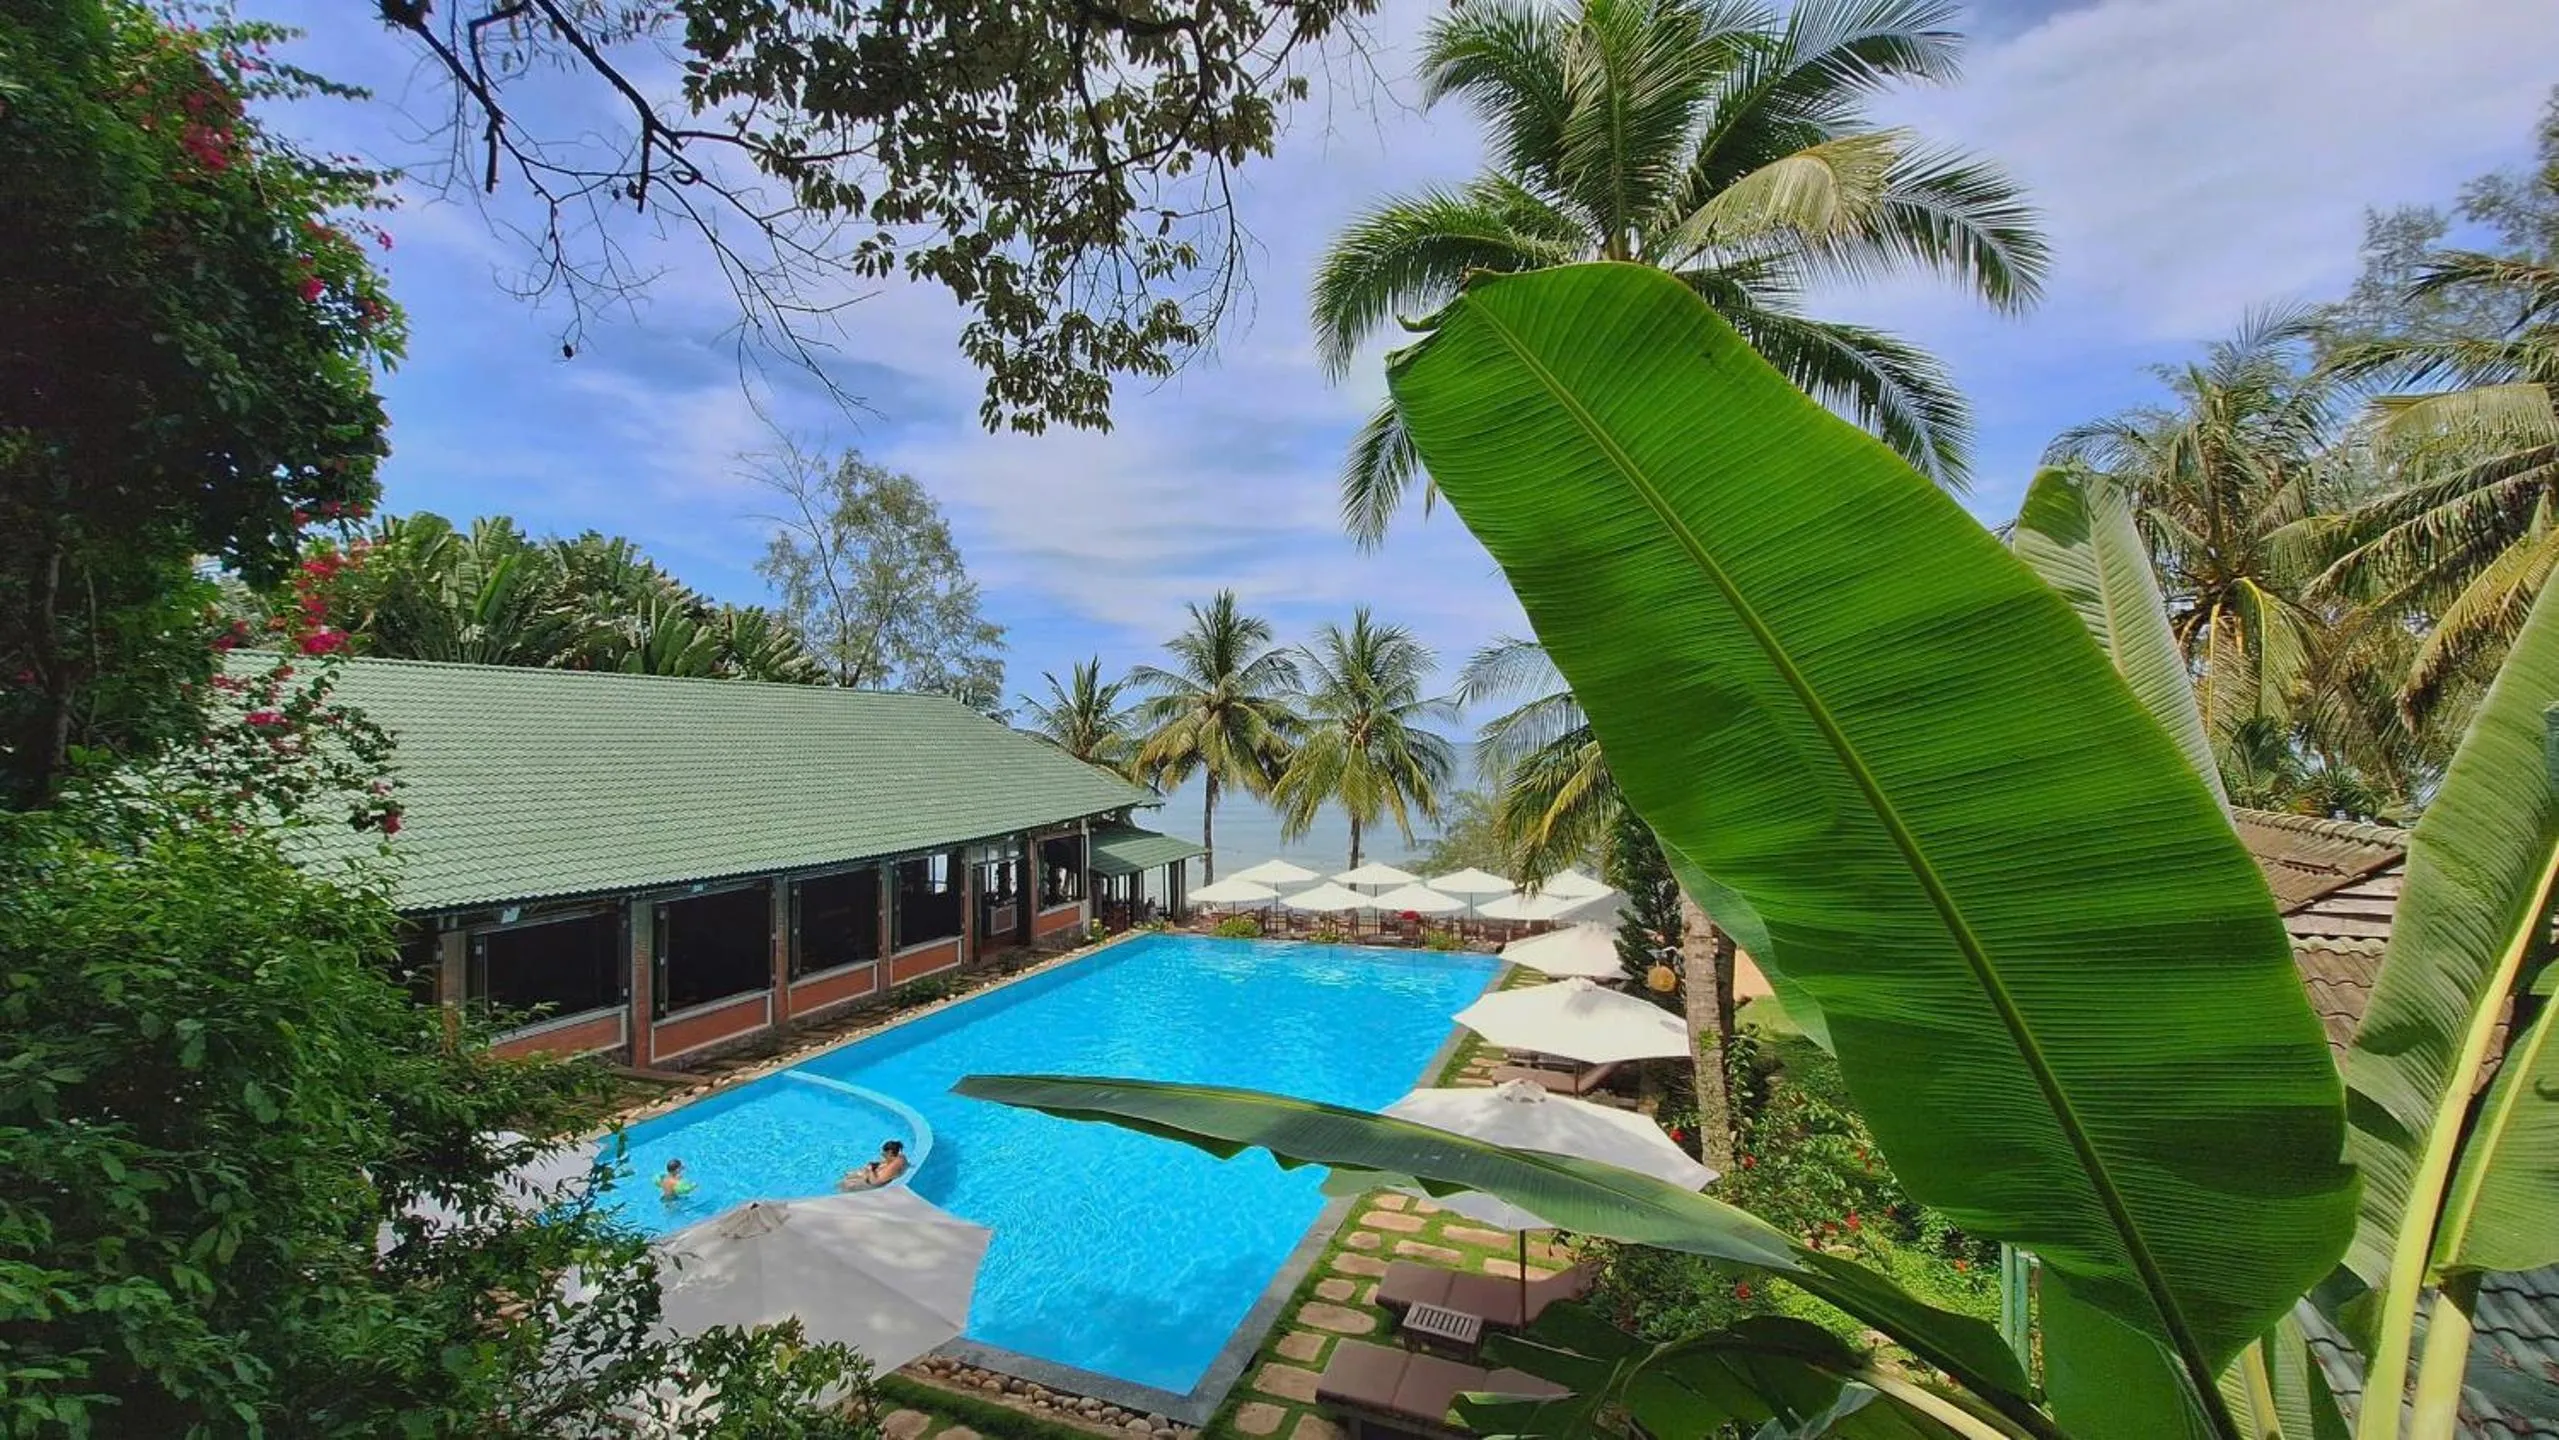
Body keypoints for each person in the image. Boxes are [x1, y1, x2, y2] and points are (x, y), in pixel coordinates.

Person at [839, 1139, 908, 1191]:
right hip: (875, 1175)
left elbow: (875, 1182)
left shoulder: (892, 1167)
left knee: (844, 1185)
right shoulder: (900, 1157)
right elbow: (887, 1163)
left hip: (873, 1184)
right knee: (849, 1174)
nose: (882, 1154)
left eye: (884, 1152)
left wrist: (870, 1170)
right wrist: (877, 1165)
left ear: (890, 1152)